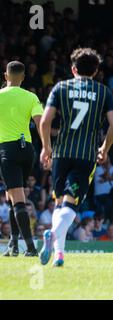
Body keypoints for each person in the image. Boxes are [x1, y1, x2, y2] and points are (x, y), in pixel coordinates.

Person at [39, 48, 113, 267]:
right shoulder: (103, 92)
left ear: (73, 69)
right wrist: (105, 148)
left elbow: (44, 122)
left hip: (61, 153)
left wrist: (46, 147)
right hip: (86, 155)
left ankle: (59, 253)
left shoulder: (61, 88)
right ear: (96, 70)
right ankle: (54, 240)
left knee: (60, 201)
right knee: (70, 205)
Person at [0, 60, 43, 257]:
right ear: (23, 77)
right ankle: (13, 245)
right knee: (13, 197)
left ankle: (31, 248)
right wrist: (47, 148)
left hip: (8, 150)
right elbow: (41, 124)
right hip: (28, 151)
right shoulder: (31, 96)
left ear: (5, 76)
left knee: (17, 201)